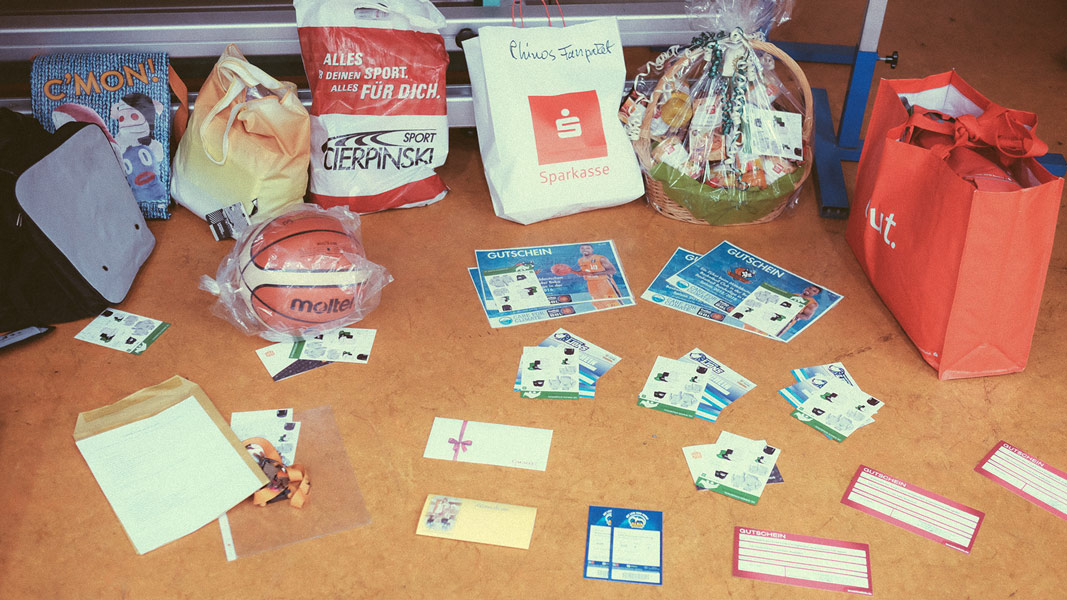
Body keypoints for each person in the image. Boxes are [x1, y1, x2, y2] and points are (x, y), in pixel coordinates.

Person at [572, 244, 622, 309]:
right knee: (598, 303)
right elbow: (585, 270)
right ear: (580, 250)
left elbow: (613, 271)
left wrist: (594, 273)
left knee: (613, 302)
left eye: (587, 248)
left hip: (604, 282)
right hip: (591, 284)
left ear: (592, 249)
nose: (585, 250)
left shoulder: (601, 258)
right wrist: (579, 272)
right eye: (582, 248)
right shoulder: (580, 260)